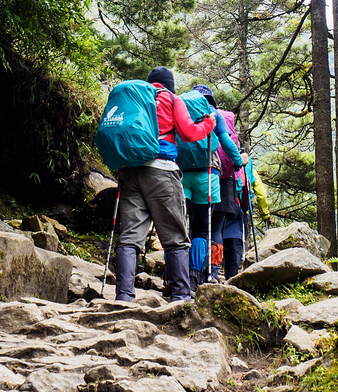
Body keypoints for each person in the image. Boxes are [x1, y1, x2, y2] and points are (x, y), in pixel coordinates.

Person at [114, 67, 216, 303]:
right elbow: (189, 133)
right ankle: (181, 296)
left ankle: (124, 295)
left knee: (130, 236)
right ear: (170, 85)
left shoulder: (136, 98)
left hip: (130, 171)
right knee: (175, 235)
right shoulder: (171, 98)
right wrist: (208, 124)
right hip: (161, 170)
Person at [181, 84, 247, 289]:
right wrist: (238, 161)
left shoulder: (181, 109)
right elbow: (226, 142)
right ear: (210, 99)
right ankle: (202, 274)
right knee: (205, 228)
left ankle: (175, 274)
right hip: (208, 174)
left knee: (181, 225)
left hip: (182, 173)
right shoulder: (214, 113)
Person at [222, 150, 270, 279]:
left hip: (218, 205)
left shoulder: (222, 162)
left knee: (218, 236)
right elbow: (261, 194)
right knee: (235, 239)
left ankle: (214, 271)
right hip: (238, 208)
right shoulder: (248, 169)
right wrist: (265, 214)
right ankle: (232, 274)